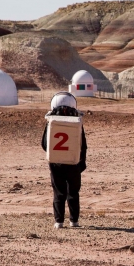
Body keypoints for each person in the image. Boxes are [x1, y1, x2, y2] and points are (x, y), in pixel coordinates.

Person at [41, 92, 87, 229]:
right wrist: (81, 162)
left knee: (58, 192)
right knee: (73, 192)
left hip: (56, 163)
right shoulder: (77, 123)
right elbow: (82, 145)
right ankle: (74, 221)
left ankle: (59, 221)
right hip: (74, 162)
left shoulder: (52, 122)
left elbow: (44, 144)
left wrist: (54, 155)